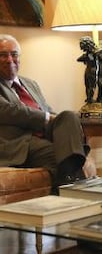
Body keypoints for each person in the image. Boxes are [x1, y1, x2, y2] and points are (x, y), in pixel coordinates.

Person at [0, 34, 88, 191]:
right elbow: (9, 111)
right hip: (19, 142)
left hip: (44, 134)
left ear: (19, 57)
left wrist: (55, 119)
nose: (9, 60)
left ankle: (68, 188)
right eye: (3, 55)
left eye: (14, 54)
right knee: (61, 156)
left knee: (69, 116)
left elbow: (47, 109)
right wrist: (47, 118)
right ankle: (72, 194)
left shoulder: (30, 83)